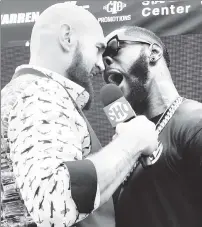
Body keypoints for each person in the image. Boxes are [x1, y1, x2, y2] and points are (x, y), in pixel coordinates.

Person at [1, 4, 158, 227]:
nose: (100, 64)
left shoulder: (20, 92)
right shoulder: (41, 92)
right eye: (98, 49)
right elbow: (55, 202)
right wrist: (132, 142)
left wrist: (118, 157)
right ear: (67, 38)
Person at [103, 25, 202, 227]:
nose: (104, 61)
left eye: (113, 48)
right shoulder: (124, 142)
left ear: (154, 53)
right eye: (101, 56)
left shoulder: (196, 124)